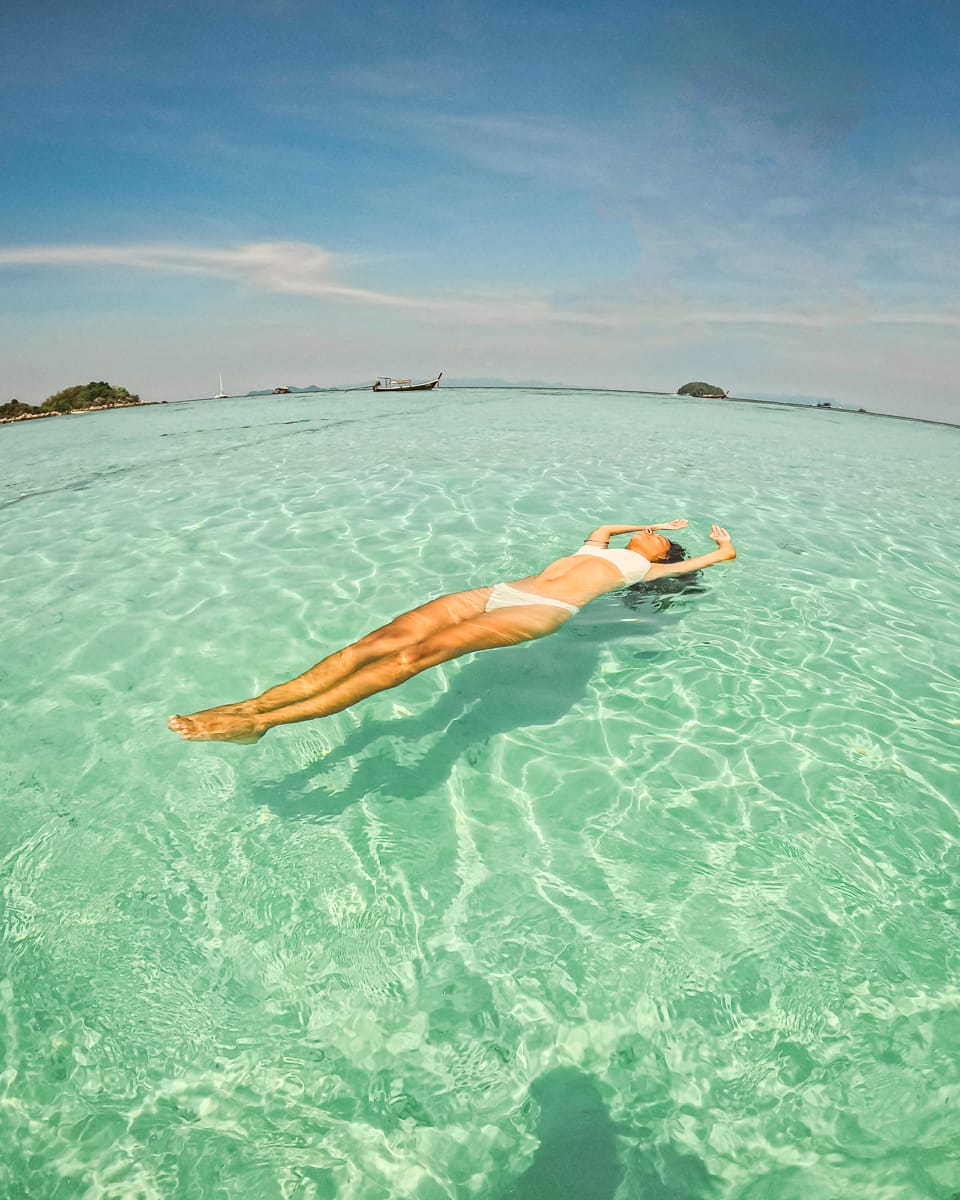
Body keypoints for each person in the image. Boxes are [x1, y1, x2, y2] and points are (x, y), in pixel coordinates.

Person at [168, 519, 736, 744]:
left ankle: (265, 723)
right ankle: (249, 707)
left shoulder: (650, 567)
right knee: (372, 644)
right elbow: (602, 527)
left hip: (537, 614)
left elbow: (720, 558)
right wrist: (641, 524)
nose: (658, 534)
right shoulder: (606, 546)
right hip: (497, 592)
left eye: (663, 536)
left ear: (663, 555)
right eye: (654, 530)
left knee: (409, 659)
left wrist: (715, 543)